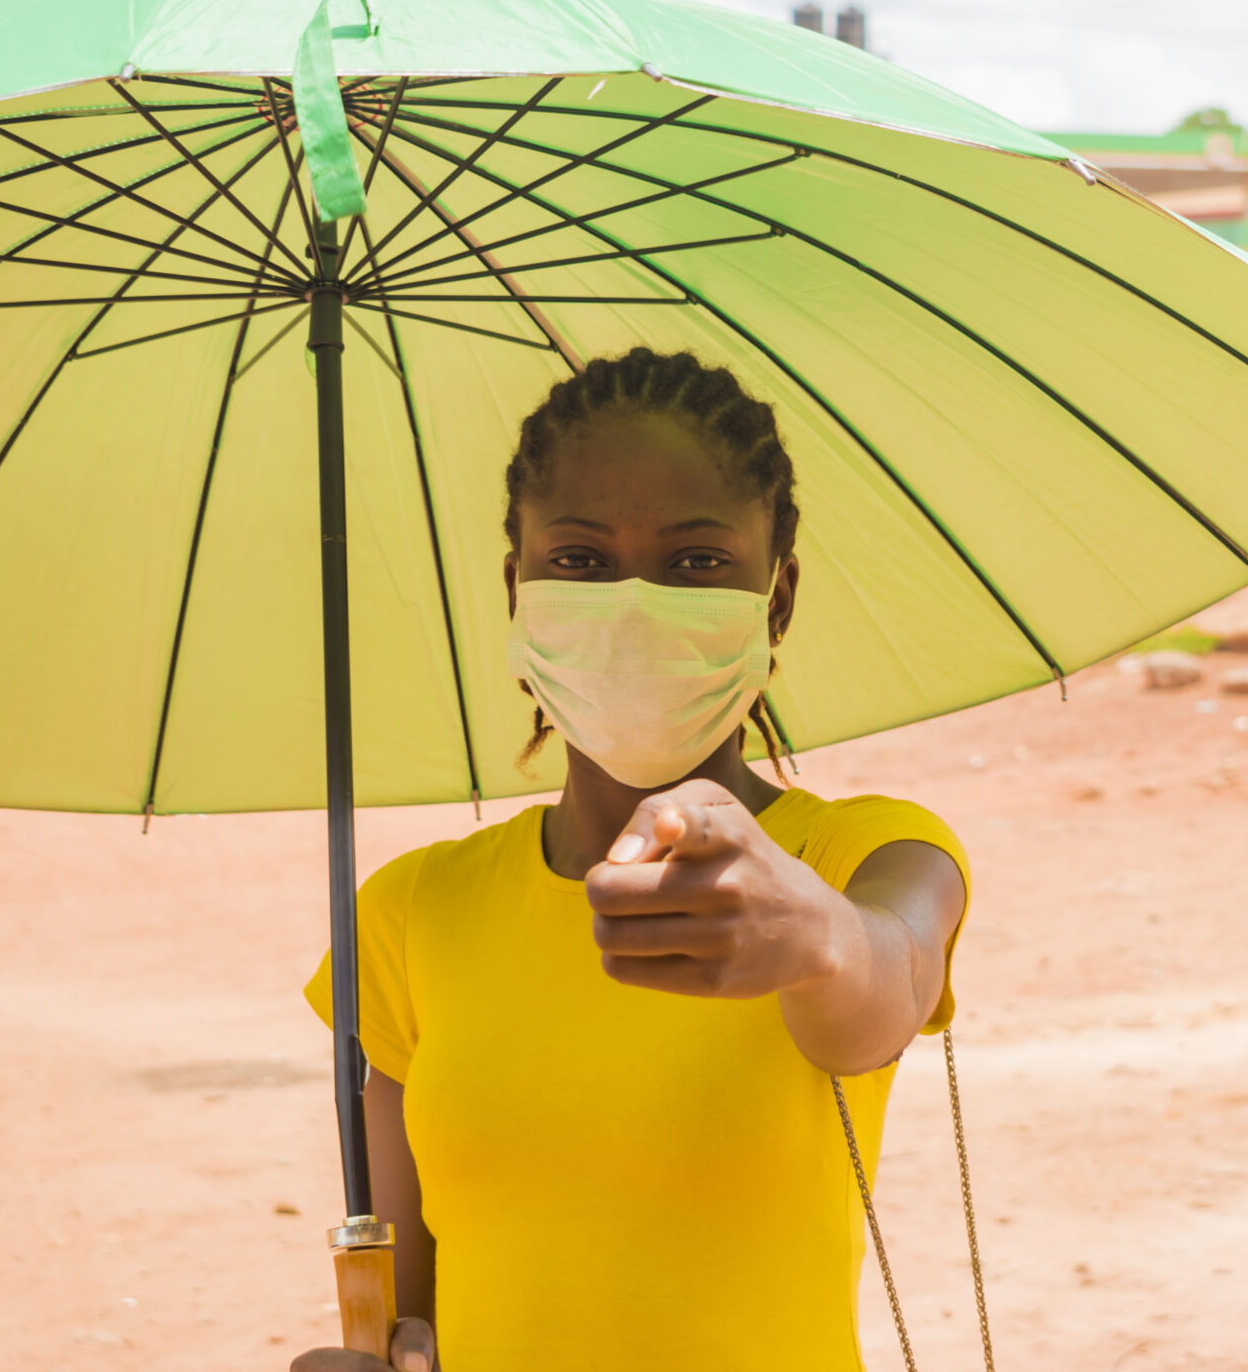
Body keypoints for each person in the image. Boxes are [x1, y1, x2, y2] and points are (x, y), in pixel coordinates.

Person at [290, 347, 971, 1372]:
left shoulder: (863, 854)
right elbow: (412, 1319)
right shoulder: (407, 912)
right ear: (519, 588)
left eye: (697, 562)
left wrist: (815, 934)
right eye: (580, 561)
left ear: (774, 598)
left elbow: (884, 989)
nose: (634, 599)